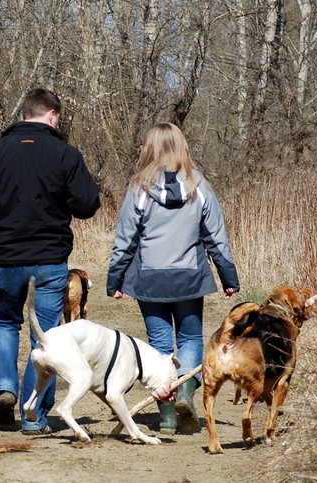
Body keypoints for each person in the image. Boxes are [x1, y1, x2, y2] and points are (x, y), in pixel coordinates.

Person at [0, 88, 101, 435]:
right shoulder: (65, 154)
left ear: (24, 113)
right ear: (51, 115)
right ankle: (33, 417)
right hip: (49, 261)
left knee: (5, 323)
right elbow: (87, 205)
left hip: (5, 259)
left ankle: (5, 386)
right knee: (43, 338)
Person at [106, 122, 239, 435]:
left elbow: (125, 238)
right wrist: (227, 275)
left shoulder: (139, 187)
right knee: (191, 338)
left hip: (150, 278)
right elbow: (216, 236)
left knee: (160, 343)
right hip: (189, 276)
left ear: (149, 148)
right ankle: (186, 393)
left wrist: (115, 279)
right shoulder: (198, 184)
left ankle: (166, 415)